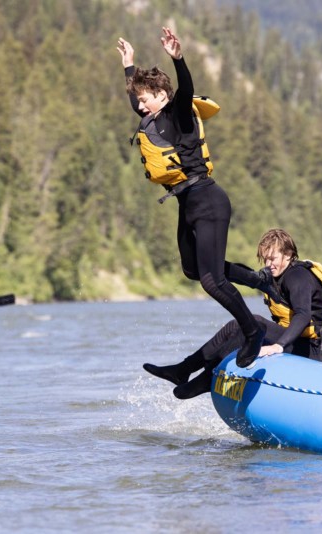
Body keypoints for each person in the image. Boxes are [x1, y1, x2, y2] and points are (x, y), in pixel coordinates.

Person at [117, 28, 264, 367]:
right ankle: (257, 280)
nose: (139, 105)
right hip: (188, 204)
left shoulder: (177, 113)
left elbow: (187, 90)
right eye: (138, 100)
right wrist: (129, 65)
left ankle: (252, 332)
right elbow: (133, 100)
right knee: (192, 270)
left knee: (212, 282)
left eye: (144, 98)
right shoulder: (152, 118)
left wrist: (177, 58)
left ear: (161, 95)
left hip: (208, 200)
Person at [144, 228, 322, 399]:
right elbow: (241, 275)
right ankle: (184, 370)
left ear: (288, 255)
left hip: (313, 352)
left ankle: (204, 378)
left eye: (273, 258)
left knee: (253, 323)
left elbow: (303, 315)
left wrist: (278, 346)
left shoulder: (298, 277)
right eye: (266, 259)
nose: (269, 264)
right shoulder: (277, 276)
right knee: (237, 325)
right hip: (295, 342)